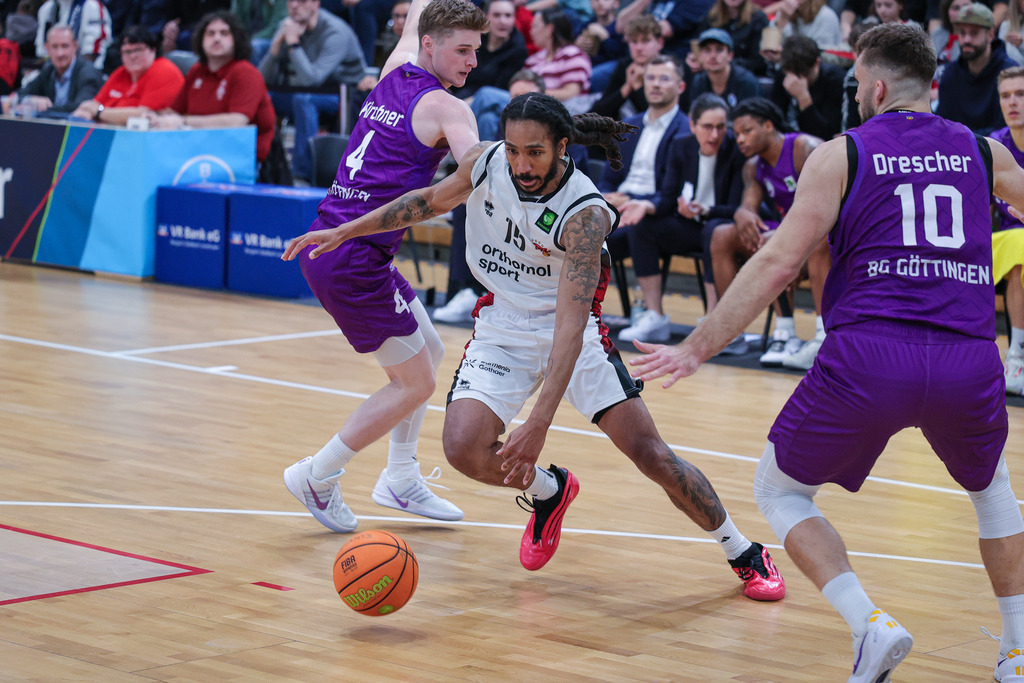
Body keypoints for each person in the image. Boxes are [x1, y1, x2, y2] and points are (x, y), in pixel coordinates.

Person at [630, 23, 1024, 682]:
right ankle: (1016, 650)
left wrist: (697, 345)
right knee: (994, 494)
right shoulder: (984, 152)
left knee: (779, 490)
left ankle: (870, 623)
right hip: (970, 358)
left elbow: (780, 261)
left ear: (872, 85)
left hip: (871, 354)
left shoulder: (844, 153)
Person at [282, 91, 787, 601]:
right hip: (502, 322)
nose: (522, 164)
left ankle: (743, 549)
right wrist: (347, 229)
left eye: (535, 153)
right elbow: (427, 201)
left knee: (651, 455)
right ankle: (551, 492)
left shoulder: (585, 213)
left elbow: (567, 331)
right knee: (462, 448)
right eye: (515, 150)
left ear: (562, 147)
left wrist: (537, 423)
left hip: (571, 330)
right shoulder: (485, 162)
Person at [277, 0, 488, 534]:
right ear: (431, 46)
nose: (472, 63)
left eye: (477, 51)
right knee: (414, 384)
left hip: (345, 245)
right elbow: (476, 170)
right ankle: (318, 474)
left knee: (432, 350)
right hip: (352, 258)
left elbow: (419, 11)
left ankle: (400, 478)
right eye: (462, 50)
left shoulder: (396, 69)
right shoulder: (449, 109)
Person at [711, 97, 828, 369]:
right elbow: (749, 204)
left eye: (747, 131)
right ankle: (744, 332)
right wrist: (743, 213)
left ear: (768, 125)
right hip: (795, 234)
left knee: (782, 241)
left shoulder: (804, 148)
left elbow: (824, 210)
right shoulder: (753, 166)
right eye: (736, 134)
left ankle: (823, 335)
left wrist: (787, 237)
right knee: (723, 235)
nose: (740, 139)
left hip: (829, 232)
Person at [620, 92, 746, 341]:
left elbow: (737, 208)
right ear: (692, 125)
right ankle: (654, 315)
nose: (714, 135)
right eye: (707, 127)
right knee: (642, 226)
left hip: (721, 226)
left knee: (715, 231)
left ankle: (713, 318)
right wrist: (647, 206)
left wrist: (707, 211)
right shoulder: (681, 146)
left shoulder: (736, 151)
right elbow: (667, 198)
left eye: (721, 127)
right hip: (688, 226)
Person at [592, 55, 691, 342]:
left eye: (664, 78)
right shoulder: (630, 125)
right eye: (650, 78)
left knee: (638, 229)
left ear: (681, 86)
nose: (655, 85)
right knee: (576, 229)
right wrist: (609, 197)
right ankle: (571, 311)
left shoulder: (685, 130)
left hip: (658, 213)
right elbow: (609, 178)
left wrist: (631, 199)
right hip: (622, 208)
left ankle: (654, 314)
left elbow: (672, 190)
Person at [259, 0, 371, 182]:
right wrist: (276, 47)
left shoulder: (335, 32)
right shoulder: (287, 26)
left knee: (303, 99)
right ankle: (266, 169)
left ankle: (303, 174)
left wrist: (294, 44)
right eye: (290, 1)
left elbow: (312, 80)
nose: (294, 6)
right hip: (302, 92)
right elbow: (261, 79)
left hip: (342, 96)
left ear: (316, 4)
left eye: (301, 1)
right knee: (262, 98)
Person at [148, 11, 276, 164]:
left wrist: (182, 122)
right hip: (200, 152)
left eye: (224, 33)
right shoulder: (197, 71)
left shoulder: (246, 72)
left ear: (236, 39)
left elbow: (236, 122)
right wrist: (155, 118)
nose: (217, 38)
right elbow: (174, 111)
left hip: (243, 159)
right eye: (210, 34)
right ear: (201, 40)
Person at [71, 26, 185, 125]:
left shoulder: (163, 70)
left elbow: (142, 114)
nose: (133, 56)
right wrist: (88, 110)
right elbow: (95, 104)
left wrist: (100, 112)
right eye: (127, 52)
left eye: (138, 50)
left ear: (153, 50)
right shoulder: (121, 72)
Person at [990, 65, 1024, 394]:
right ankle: (1017, 354)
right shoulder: (994, 148)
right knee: (1018, 243)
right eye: (1005, 95)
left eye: (1020, 94)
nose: (1012, 102)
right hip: (1004, 240)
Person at [937, 2, 1020, 135]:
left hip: (997, 150)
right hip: (958, 150)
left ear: (991, 35)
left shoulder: (1008, 73)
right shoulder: (950, 73)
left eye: (974, 33)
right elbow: (943, 124)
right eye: (962, 33)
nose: (966, 40)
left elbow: (1007, 131)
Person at [11, 24, 102, 115]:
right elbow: (18, 95)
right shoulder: (49, 70)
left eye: (65, 46)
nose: (60, 53)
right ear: (47, 48)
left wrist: (44, 109)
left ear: (75, 46)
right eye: (55, 46)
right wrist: (31, 100)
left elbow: (81, 107)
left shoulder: (88, 73)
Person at [768, 34, 844, 140]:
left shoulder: (834, 78)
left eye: (804, 74)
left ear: (817, 63)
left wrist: (803, 98)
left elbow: (827, 134)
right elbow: (775, 118)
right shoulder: (783, 74)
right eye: (792, 74)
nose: (797, 81)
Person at [589, 13, 663, 120]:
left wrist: (638, 87)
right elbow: (597, 113)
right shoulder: (625, 66)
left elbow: (662, 119)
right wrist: (627, 88)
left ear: (659, 43)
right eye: (634, 41)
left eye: (645, 41)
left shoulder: (671, 68)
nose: (639, 48)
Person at [524, 7, 592, 102]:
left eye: (534, 26)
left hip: (561, 111)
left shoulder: (572, 55)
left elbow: (571, 93)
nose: (531, 32)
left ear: (549, 29)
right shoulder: (533, 59)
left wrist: (532, 93)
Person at [686, 28, 761, 111]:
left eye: (719, 50)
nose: (713, 56)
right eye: (707, 50)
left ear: (730, 55)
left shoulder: (746, 82)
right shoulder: (699, 82)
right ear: (700, 56)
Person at [697, 0, 771, 76]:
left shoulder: (758, 18)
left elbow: (758, 60)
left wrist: (725, 64)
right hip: (714, 74)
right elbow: (700, 48)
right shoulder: (711, 17)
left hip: (749, 75)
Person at [34, 0, 112, 68]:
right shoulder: (46, 9)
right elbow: (42, 53)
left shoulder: (93, 7)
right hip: (53, 71)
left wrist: (69, 73)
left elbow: (93, 53)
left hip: (88, 71)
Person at [771, 0, 842, 50]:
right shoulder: (784, 12)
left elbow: (823, 54)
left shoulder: (826, 16)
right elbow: (770, 47)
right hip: (787, 66)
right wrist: (783, 20)